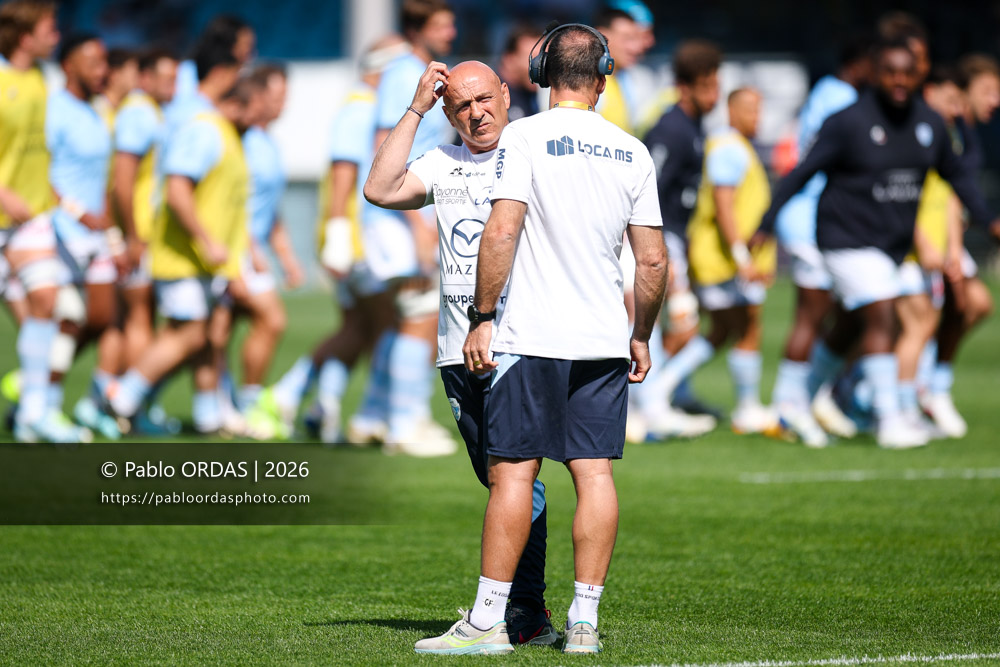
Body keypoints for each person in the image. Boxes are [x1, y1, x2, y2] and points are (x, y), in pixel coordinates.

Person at [418, 24, 667, 654]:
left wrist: (480, 316)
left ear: (538, 73)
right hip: (603, 338)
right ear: (604, 77)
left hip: (529, 337)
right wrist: (639, 333)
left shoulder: (524, 136)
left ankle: (487, 622)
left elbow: (500, 233)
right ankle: (583, 622)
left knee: (511, 477)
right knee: (595, 475)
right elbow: (654, 262)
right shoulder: (632, 151)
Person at [366, 59, 556, 646]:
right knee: (508, 482)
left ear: (505, 94)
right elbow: (379, 188)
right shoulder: (443, 163)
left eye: (482, 99)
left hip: (516, 342)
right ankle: (526, 613)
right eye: (459, 106)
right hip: (457, 350)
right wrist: (417, 105)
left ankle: (500, 615)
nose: (475, 113)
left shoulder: (531, 150)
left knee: (511, 476)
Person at [755, 38, 1000, 449]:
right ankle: (891, 419)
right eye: (891, 72)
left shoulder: (929, 125)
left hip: (891, 246)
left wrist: (990, 221)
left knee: (852, 323)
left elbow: (959, 179)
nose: (899, 81)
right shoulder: (847, 121)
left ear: (918, 75)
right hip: (844, 239)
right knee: (883, 311)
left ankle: (795, 404)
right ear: (875, 73)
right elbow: (801, 172)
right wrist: (766, 222)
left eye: (908, 73)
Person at [250, 36, 407, 442]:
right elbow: (344, 170)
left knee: (359, 326)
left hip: (355, 232)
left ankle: (321, 404)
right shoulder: (360, 109)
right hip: (357, 234)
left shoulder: (362, 106)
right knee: (386, 321)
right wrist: (339, 231)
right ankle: (362, 409)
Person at [103, 47, 248, 435]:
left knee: (199, 334)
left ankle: (206, 414)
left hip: (183, 252)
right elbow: (147, 185)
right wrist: (130, 235)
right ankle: (120, 396)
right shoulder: (153, 116)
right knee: (168, 328)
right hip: (166, 247)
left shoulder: (182, 120)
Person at [348, 0, 458, 454]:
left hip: (408, 215)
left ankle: (372, 415)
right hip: (397, 217)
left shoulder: (420, 73)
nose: (450, 33)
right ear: (418, 29)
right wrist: (417, 225)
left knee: (404, 317)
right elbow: (384, 145)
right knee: (419, 312)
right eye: (442, 26)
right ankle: (404, 424)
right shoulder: (402, 75)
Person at [769, 33, 872, 447]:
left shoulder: (829, 92)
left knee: (848, 312)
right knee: (813, 314)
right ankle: (790, 405)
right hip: (811, 219)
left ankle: (809, 398)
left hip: (821, 219)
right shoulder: (842, 99)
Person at [656, 88, 778, 434]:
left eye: (759, 110)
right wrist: (742, 258)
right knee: (745, 326)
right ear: (732, 110)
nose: (757, 117)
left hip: (721, 256)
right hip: (723, 258)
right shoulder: (728, 149)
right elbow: (724, 207)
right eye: (750, 110)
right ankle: (746, 404)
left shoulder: (732, 146)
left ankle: (664, 390)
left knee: (723, 330)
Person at [0, 0, 83, 443]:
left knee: (48, 303)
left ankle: (36, 412)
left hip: (29, 219)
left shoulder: (38, 78)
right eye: (50, 27)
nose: (57, 34)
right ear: (24, 35)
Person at [637, 39, 722, 440]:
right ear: (685, 87)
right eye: (707, 85)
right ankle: (653, 404)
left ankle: (660, 400)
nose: (715, 94)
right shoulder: (670, 128)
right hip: (659, 237)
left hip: (674, 237)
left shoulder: (692, 125)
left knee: (672, 325)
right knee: (684, 325)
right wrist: (656, 244)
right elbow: (646, 184)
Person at [46, 33, 121, 439]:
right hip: (61, 232)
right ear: (68, 66)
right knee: (69, 320)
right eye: (93, 61)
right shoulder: (53, 109)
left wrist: (109, 229)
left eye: (104, 60)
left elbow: (99, 179)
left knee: (106, 320)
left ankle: (87, 402)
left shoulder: (95, 111)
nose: (102, 70)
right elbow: (41, 172)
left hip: (96, 236)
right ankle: (45, 404)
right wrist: (78, 213)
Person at [924, 53, 1000, 437]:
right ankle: (916, 390)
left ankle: (931, 387)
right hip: (928, 235)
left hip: (946, 234)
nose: (995, 100)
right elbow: (948, 193)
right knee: (917, 317)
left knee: (972, 304)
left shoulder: (963, 132)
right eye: (987, 91)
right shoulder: (942, 128)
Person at [893, 66, 965, 433]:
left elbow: (949, 199)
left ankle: (905, 405)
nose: (957, 109)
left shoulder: (944, 138)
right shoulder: (911, 135)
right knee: (916, 329)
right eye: (951, 100)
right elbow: (903, 195)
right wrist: (923, 243)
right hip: (907, 252)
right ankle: (901, 410)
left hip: (930, 252)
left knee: (919, 327)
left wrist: (953, 247)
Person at [111, 47, 179, 433]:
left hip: (146, 232)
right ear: (145, 78)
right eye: (165, 78)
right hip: (138, 233)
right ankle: (128, 407)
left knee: (139, 319)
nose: (172, 85)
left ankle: (123, 401)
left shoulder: (151, 112)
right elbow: (123, 179)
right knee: (138, 318)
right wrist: (133, 235)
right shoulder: (138, 113)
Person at [229, 63, 302, 413]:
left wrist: (286, 257)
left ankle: (135, 396)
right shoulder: (241, 140)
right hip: (235, 249)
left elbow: (269, 208)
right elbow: (229, 202)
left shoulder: (269, 142)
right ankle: (249, 403)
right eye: (277, 96)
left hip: (251, 250)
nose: (283, 104)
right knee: (271, 320)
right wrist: (247, 248)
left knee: (211, 333)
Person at [593, 7, 643, 135]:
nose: (636, 48)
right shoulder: (586, 80)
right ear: (601, 36)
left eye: (637, 39)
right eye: (627, 38)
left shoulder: (625, 80)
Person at [497, 24, 541, 121]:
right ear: (509, 60)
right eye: (533, 59)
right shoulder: (490, 99)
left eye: (544, 58)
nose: (540, 67)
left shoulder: (536, 94)